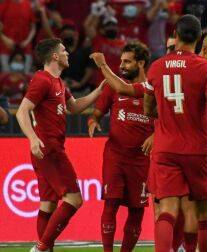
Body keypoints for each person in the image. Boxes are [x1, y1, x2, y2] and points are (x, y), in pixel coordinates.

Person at [143, 14, 207, 252]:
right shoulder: (206, 68)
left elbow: (148, 108)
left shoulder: (156, 67)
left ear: (175, 35)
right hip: (197, 149)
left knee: (166, 210)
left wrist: (167, 114)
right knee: (205, 211)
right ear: (199, 39)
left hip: (166, 149)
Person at [16, 38, 105, 252]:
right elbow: (22, 110)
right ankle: (41, 248)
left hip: (48, 149)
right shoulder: (43, 80)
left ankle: (44, 248)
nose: (68, 54)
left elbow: (74, 107)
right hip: (50, 148)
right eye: (64, 51)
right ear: (55, 56)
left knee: (48, 203)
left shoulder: (58, 82)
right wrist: (33, 138)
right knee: (74, 199)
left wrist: (99, 91)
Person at [89, 42, 154, 252]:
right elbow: (96, 113)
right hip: (115, 156)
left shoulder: (153, 88)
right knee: (111, 203)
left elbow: (166, 121)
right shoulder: (112, 86)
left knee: (137, 210)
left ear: (141, 63)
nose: (122, 66)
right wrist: (93, 122)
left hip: (141, 160)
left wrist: (155, 135)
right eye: (121, 61)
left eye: (127, 61)